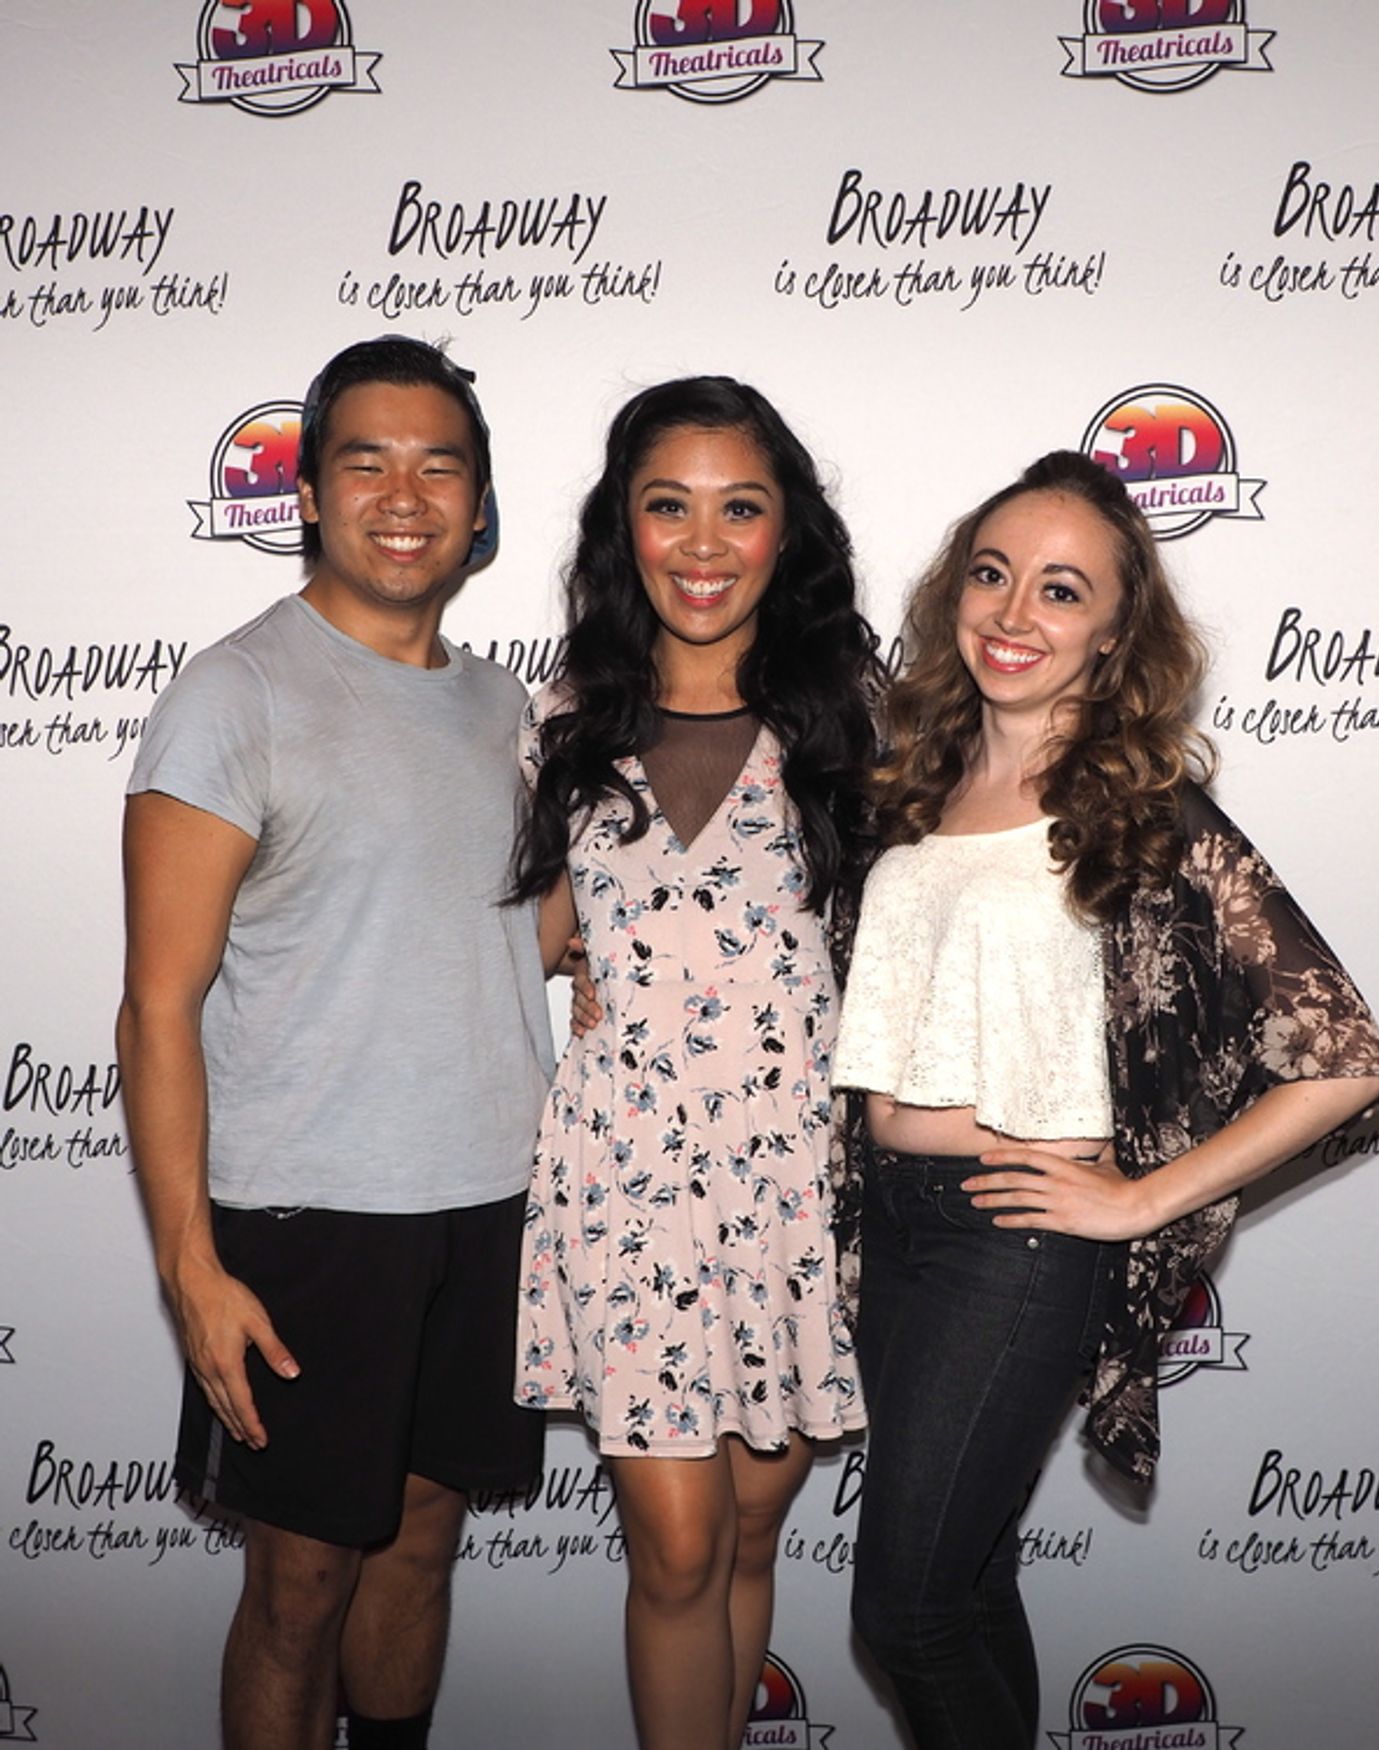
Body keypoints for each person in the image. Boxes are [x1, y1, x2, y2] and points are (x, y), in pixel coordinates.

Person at [832, 449, 1379, 1750]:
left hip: (1013, 1239)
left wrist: (1143, 1194)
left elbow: (1349, 1055)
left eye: (1062, 589)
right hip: (893, 1226)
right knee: (965, 1585)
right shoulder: (912, 786)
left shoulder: (1145, 809)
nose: (1013, 612)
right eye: (991, 574)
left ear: (1116, 633)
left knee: (905, 1610)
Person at [116, 336, 553, 1750]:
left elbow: (503, 932)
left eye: (441, 464)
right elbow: (157, 1004)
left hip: (492, 1201)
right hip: (307, 1219)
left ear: (480, 505)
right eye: (366, 461)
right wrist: (189, 1260)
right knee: (300, 1581)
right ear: (307, 491)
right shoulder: (233, 695)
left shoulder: (503, 706)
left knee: (423, 1545)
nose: (405, 494)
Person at [509, 376, 880, 1750]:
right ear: (626, 527)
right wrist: (593, 956)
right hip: (629, 1192)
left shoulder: (853, 729)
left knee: (739, 1545)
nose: (705, 540)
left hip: (794, 1191)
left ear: (788, 534)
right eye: (670, 504)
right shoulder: (556, 727)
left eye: (742, 505)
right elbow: (519, 932)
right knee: (673, 1546)